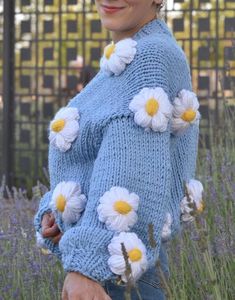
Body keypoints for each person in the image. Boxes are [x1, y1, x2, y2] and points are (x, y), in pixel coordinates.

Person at [34, 1, 202, 299]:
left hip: (113, 269)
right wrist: (63, 215)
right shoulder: (139, 52)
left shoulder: (149, 56)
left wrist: (87, 267)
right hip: (122, 264)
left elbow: (130, 169)